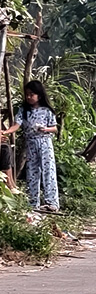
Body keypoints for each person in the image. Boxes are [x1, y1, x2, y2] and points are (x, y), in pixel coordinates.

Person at [2, 80, 59, 212]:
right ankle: (33, 202)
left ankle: (52, 203)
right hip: (31, 143)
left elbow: (54, 128)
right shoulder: (24, 111)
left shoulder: (47, 110)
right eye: (27, 94)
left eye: (31, 94)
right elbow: (17, 125)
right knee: (32, 172)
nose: (28, 97)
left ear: (39, 95)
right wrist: (6, 131)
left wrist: (45, 129)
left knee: (48, 171)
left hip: (45, 143)